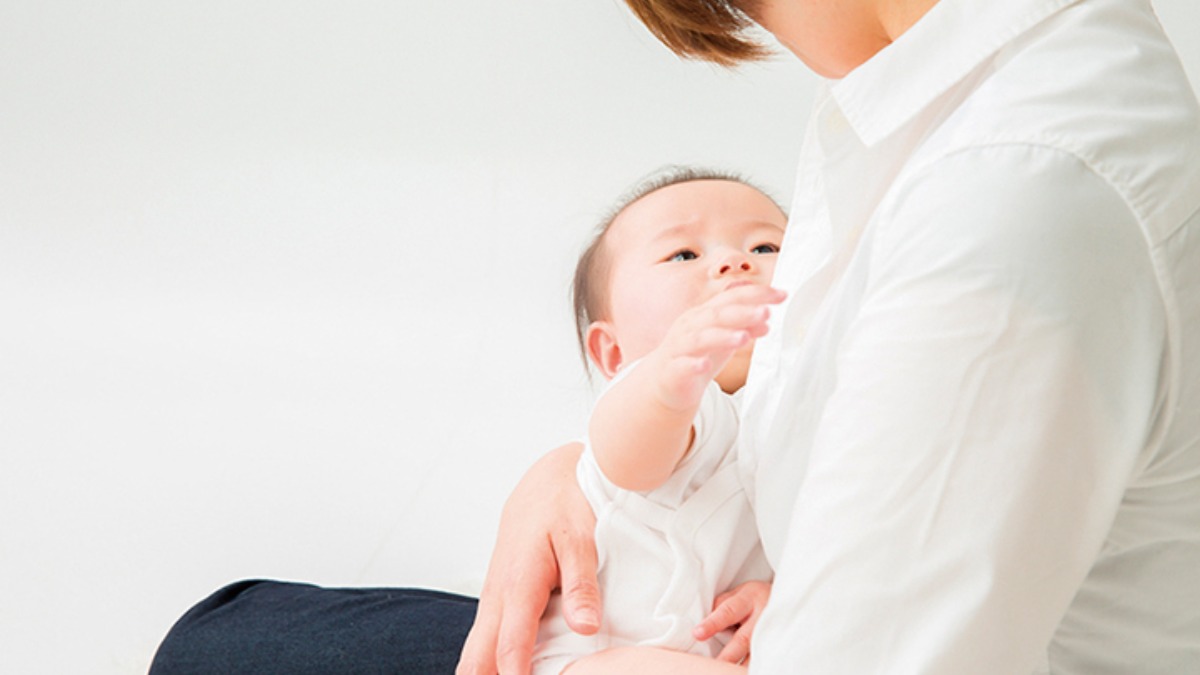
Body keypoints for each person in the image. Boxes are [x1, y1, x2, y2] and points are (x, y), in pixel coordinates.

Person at [152, 0, 1200, 672]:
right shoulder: (938, 111)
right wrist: (569, 470)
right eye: (683, 257)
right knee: (233, 629)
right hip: (660, 620)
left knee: (232, 644)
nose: (736, 266)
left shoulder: (1012, 195)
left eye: (754, 244)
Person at [534, 168, 784, 674]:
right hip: (593, 659)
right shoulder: (656, 395)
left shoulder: (807, 410)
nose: (736, 262)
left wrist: (780, 594)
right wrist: (671, 379)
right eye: (684, 255)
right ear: (613, 351)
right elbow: (631, 463)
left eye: (766, 248)